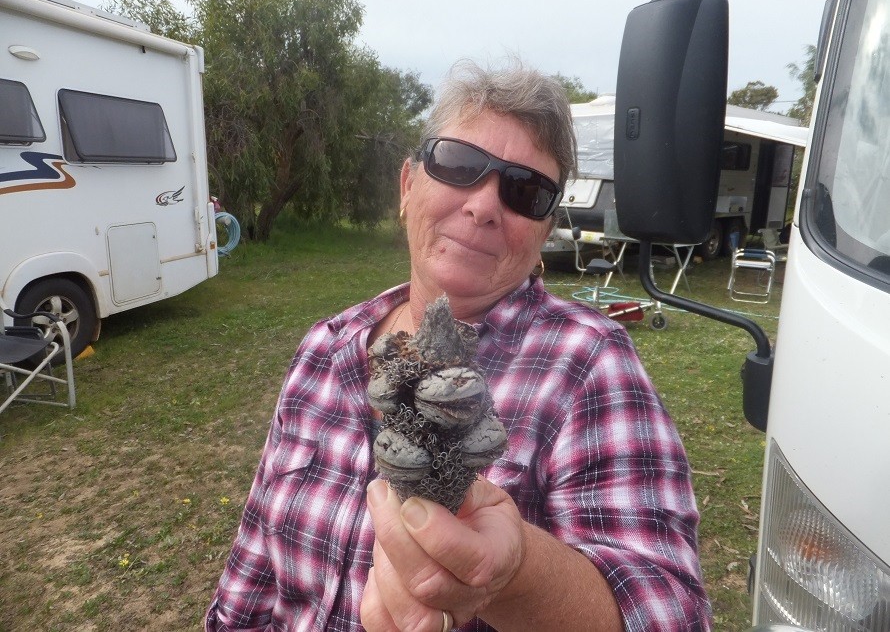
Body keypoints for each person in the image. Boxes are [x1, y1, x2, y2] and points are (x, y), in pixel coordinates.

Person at [206, 59, 711, 632]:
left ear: (544, 233)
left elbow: (671, 611)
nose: (484, 205)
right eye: (459, 163)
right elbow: (250, 575)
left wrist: (514, 573)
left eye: (526, 191)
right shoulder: (325, 347)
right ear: (407, 186)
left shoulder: (590, 363)